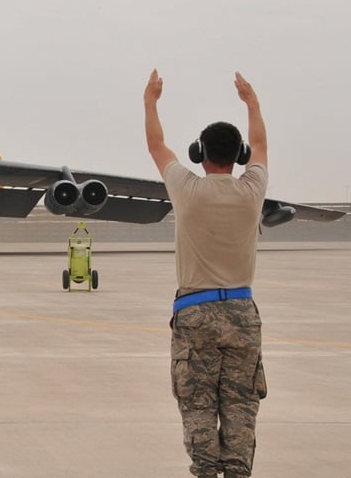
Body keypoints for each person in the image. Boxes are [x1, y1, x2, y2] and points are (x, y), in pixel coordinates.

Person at [144, 69, 269, 478]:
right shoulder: (252, 190)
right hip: (242, 312)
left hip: (195, 312)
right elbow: (261, 145)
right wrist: (251, 102)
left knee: (198, 403)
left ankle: (205, 470)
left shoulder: (188, 189)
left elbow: (157, 146)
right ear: (239, 155)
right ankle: (237, 471)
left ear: (199, 153)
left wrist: (151, 100)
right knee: (241, 404)